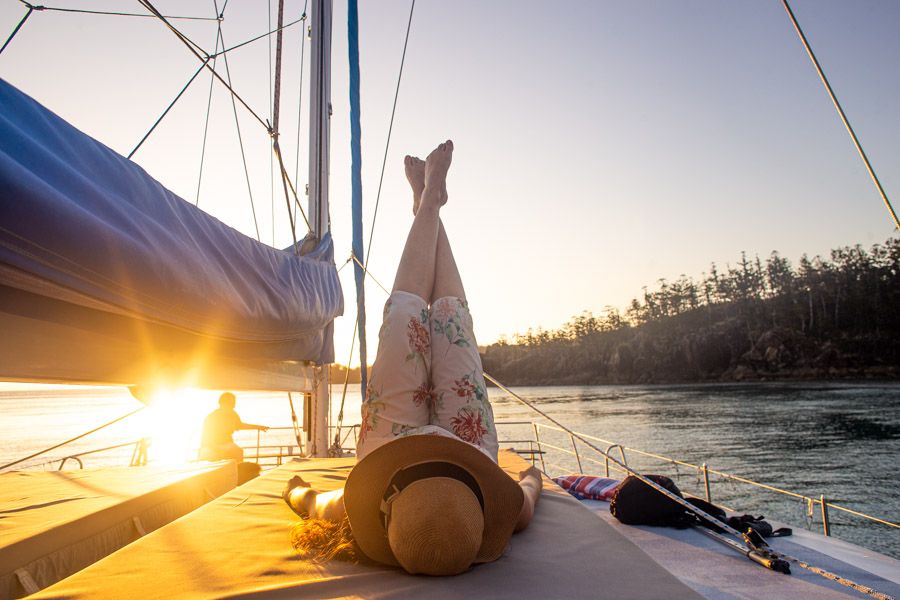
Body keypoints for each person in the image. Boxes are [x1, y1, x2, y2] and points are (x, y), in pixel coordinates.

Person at [284, 141, 542, 576]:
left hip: (389, 448)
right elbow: (530, 487)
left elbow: (309, 501)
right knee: (450, 318)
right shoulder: (510, 513)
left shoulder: (350, 508)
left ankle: (428, 204)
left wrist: (294, 489)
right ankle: (431, 201)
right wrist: (533, 474)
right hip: (472, 450)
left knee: (406, 312)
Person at [199, 392, 269, 461]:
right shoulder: (212, 417)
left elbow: (240, 425)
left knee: (238, 451)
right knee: (222, 454)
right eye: (231, 403)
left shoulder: (232, 414)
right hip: (211, 446)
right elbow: (206, 437)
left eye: (233, 403)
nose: (233, 406)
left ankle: (238, 471)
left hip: (227, 444)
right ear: (222, 403)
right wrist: (217, 449)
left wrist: (259, 427)